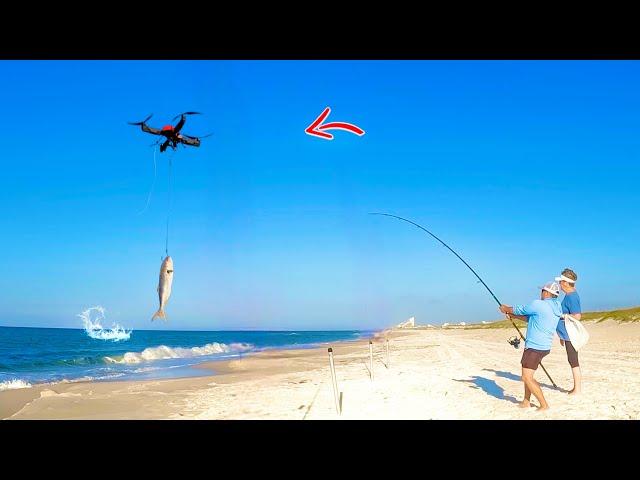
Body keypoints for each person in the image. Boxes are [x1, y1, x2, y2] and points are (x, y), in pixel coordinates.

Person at [499, 281, 562, 411]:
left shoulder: (538, 304)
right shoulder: (556, 307)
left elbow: (518, 309)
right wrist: (512, 315)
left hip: (534, 347)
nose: (541, 293)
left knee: (526, 377)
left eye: (542, 291)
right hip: (544, 347)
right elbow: (530, 318)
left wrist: (506, 309)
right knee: (529, 376)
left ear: (546, 292)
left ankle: (544, 405)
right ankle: (526, 401)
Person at [555, 268, 582, 395]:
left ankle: (577, 389)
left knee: (573, 360)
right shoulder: (568, 295)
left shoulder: (572, 296)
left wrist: (562, 316)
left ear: (565, 283)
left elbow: (577, 316)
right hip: (566, 334)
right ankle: (576, 388)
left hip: (571, 334)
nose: (559, 284)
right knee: (571, 360)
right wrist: (561, 335)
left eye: (560, 282)